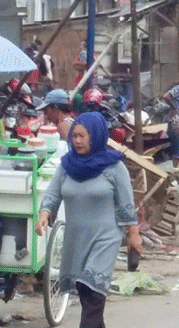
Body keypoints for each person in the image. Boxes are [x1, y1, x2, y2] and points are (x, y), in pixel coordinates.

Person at [35, 112, 142, 328]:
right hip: (76, 239)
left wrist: (133, 234)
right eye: (74, 136)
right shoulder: (67, 165)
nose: (77, 141)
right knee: (85, 292)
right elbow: (53, 194)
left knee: (92, 291)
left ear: (96, 135)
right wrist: (44, 214)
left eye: (83, 136)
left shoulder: (114, 166)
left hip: (105, 238)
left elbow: (126, 204)